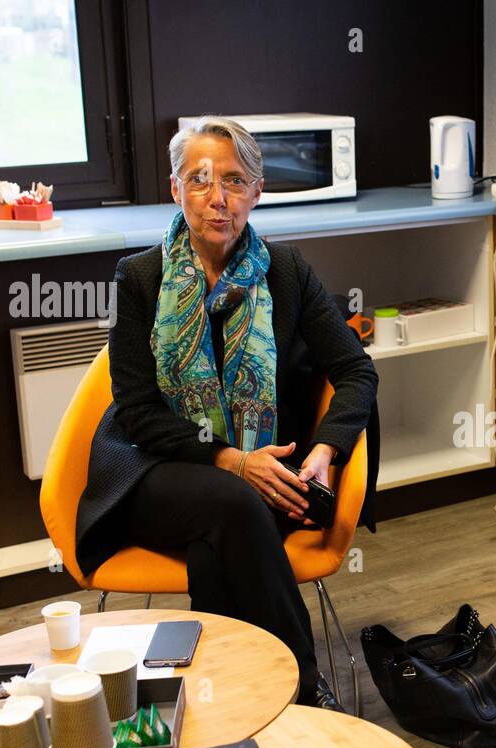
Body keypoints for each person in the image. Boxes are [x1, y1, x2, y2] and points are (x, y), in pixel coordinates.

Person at [74, 116, 378, 711]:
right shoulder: (139, 277)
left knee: (221, 543)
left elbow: (356, 370)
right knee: (235, 502)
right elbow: (136, 412)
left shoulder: (287, 272)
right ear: (175, 190)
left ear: (257, 193)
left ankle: (230, 699)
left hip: (267, 475)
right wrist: (234, 460)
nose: (218, 199)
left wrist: (324, 451)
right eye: (200, 180)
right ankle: (305, 696)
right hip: (156, 469)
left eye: (235, 181)